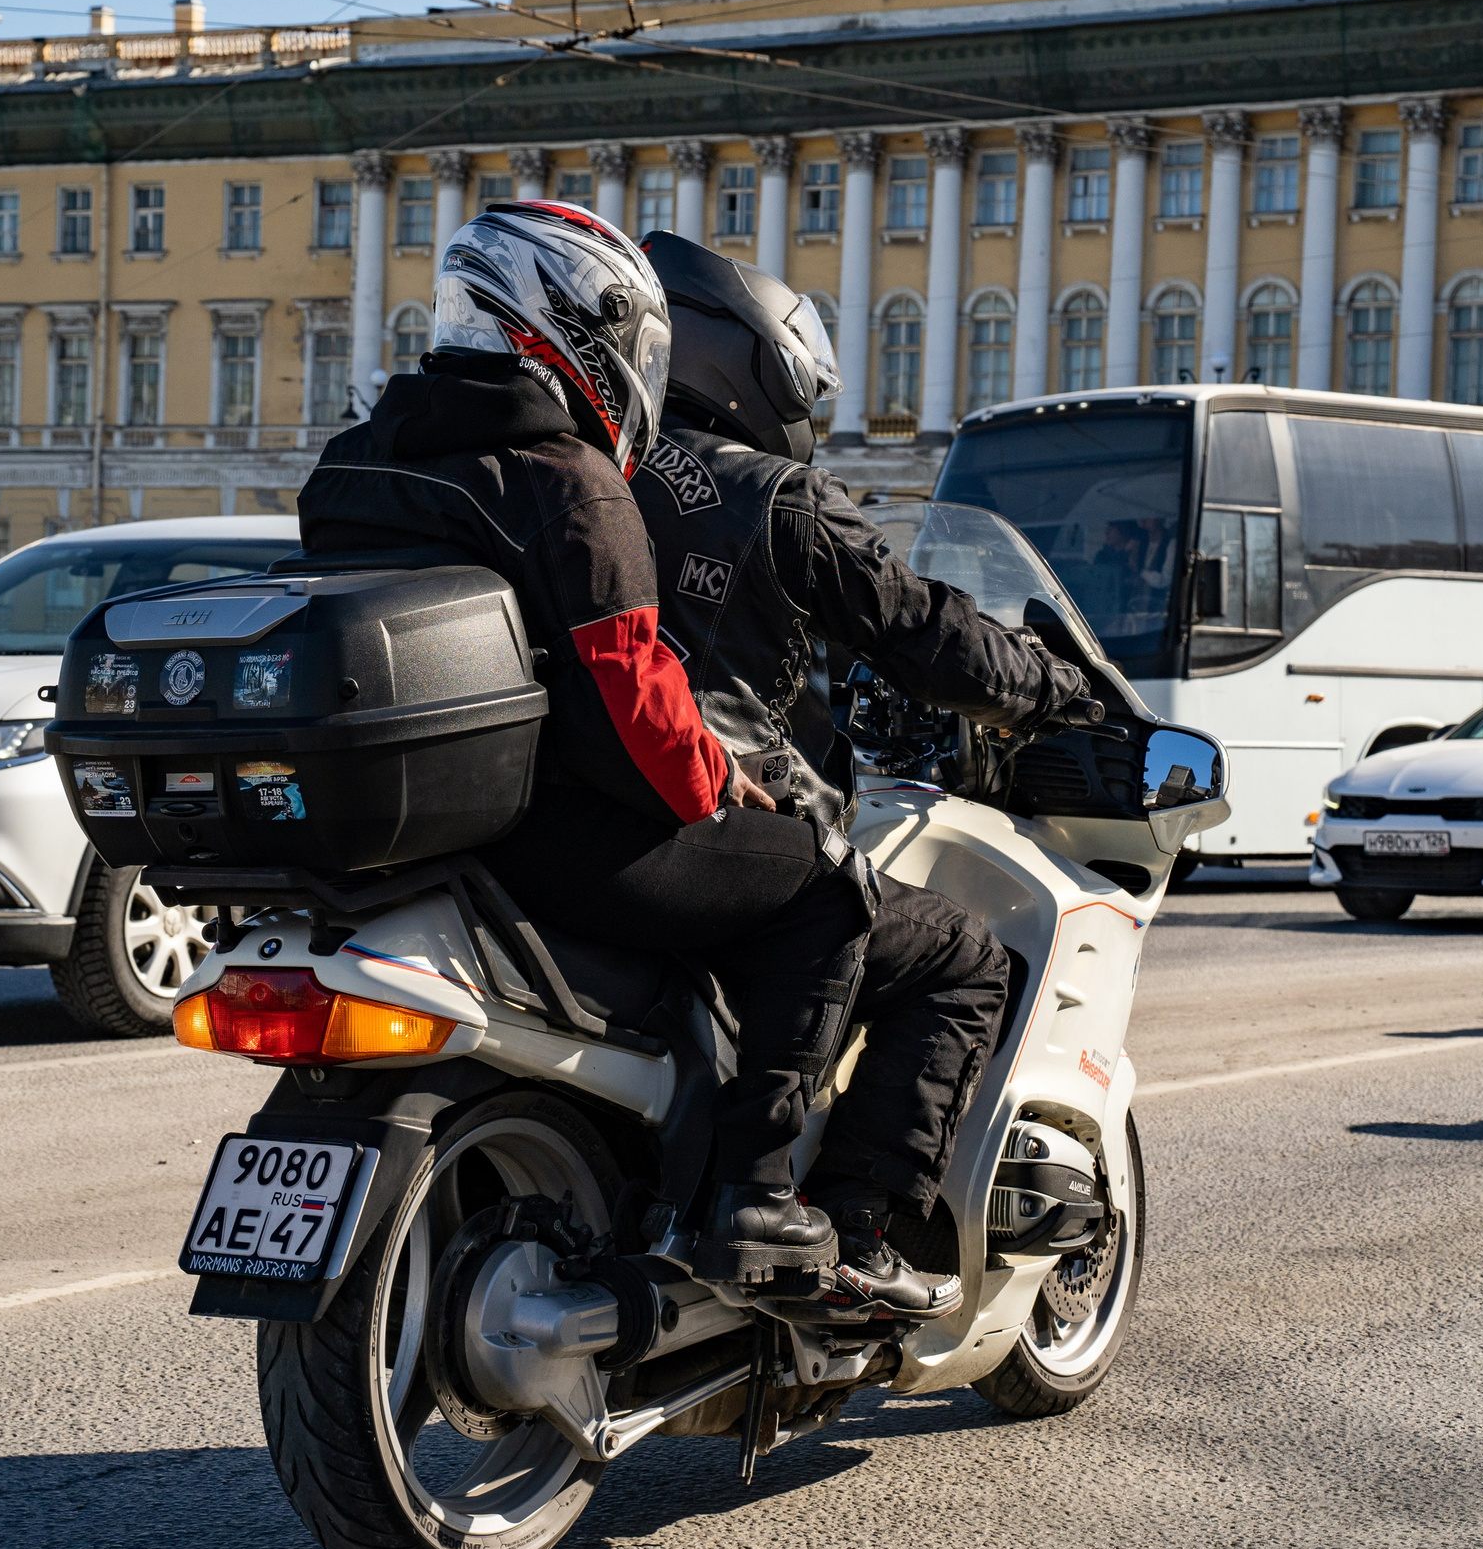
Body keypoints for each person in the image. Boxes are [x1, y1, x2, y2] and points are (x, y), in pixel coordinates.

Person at [292, 200, 863, 1287]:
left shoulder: (353, 461)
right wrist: (720, 782)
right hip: (562, 836)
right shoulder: (568, 480)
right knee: (824, 891)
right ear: (576, 327)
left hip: (423, 833)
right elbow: (631, 692)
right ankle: (757, 1196)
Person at [631, 231, 1102, 1319]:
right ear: (755, 367)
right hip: (729, 823)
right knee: (961, 957)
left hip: (578, 826)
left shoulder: (582, 471)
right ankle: (857, 1227)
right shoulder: (776, 495)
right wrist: (1048, 686)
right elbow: (924, 628)